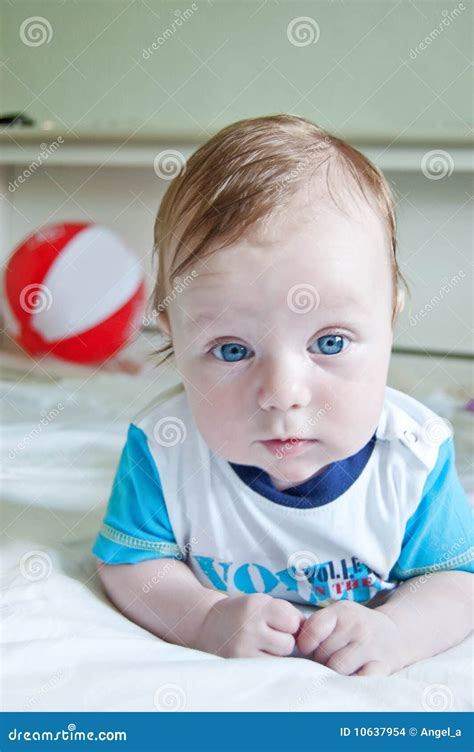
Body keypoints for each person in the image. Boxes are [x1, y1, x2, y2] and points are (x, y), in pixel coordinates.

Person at [92, 115, 473, 676]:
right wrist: (204, 618)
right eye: (230, 350)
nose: (282, 394)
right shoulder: (164, 450)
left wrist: (396, 630)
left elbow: (454, 581)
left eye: (331, 341)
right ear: (173, 332)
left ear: (391, 311)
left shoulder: (412, 458)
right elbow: (131, 566)